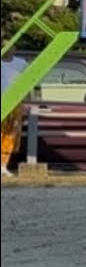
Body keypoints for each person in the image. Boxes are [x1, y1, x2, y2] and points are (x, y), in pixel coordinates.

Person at [1, 46, 30, 177]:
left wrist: (26, 102)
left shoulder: (21, 63)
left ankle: (3, 165)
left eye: (10, 46)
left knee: (11, 134)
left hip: (15, 103)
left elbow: (28, 83)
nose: (7, 49)